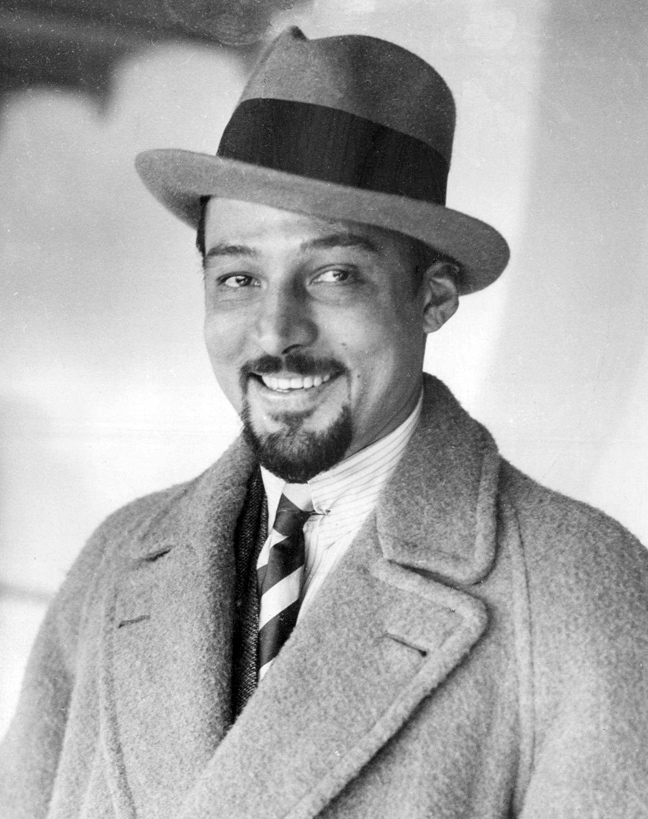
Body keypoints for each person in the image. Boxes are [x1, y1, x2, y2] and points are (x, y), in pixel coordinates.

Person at [2, 26, 648, 819]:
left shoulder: (583, 593)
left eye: (334, 274)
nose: (276, 331)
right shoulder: (113, 564)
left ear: (434, 296)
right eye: (238, 277)